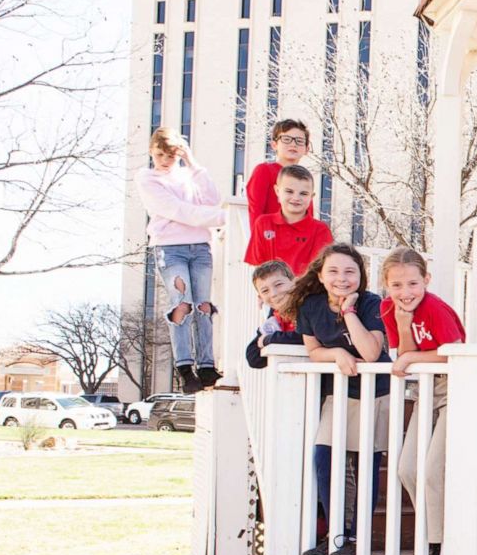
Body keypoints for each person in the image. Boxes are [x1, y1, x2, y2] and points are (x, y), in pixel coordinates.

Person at [287, 244, 390, 555]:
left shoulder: (372, 303)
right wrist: (337, 354)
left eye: (350, 271)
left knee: (365, 466)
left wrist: (348, 311)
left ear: (361, 276)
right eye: (333, 271)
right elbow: (314, 350)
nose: (342, 278)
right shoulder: (311, 306)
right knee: (324, 458)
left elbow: (371, 352)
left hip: (375, 392)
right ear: (320, 275)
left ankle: (357, 539)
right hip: (339, 392)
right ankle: (336, 533)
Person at [382, 249, 465, 555]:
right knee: (407, 469)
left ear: (426, 280)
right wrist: (403, 327)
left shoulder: (436, 309)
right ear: (387, 286)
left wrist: (408, 360)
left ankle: (439, 547)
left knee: (432, 470)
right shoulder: (390, 308)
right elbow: (405, 355)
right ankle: (433, 533)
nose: (406, 293)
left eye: (413, 283)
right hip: (425, 391)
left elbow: (454, 354)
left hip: (452, 388)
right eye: (397, 285)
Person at [134, 126, 223, 394]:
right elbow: (178, 211)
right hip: (170, 247)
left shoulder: (187, 175)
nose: (165, 160)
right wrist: (221, 219)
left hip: (200, 246)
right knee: (181, 305)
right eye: (161, 154)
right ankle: (185, 367)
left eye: (171, 155)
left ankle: (206, 365)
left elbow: (212, 199)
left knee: (203, 306)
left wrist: (193, 163)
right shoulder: (147, 178)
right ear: (152, 151)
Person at [244, 163, 333, 277]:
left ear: (311, 196)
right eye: (289, 191)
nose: (296, 198)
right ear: (277, 191)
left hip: (305, 292)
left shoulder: (320, 230)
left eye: (303, 193)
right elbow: (258, 266)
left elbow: (318, 272)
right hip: (272, 291)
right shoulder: (263, 224)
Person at [246, 119, 314, 227]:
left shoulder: (306, 178)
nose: (293, 144)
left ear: (307, 149)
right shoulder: (264, 171)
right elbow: (256, 213)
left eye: (299, 141)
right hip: (271, 239)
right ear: (274, 145)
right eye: (286, 139)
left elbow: (308, 218)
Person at [245, 261, 302, 369]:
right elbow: (253, 358)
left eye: (279, 284)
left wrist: (268, 340)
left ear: (295, 283)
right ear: (260, 298)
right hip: (292, 379)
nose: (273, 293)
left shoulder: (308, 306)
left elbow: (305, 337)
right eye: (265, 291)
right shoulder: (275, 315)